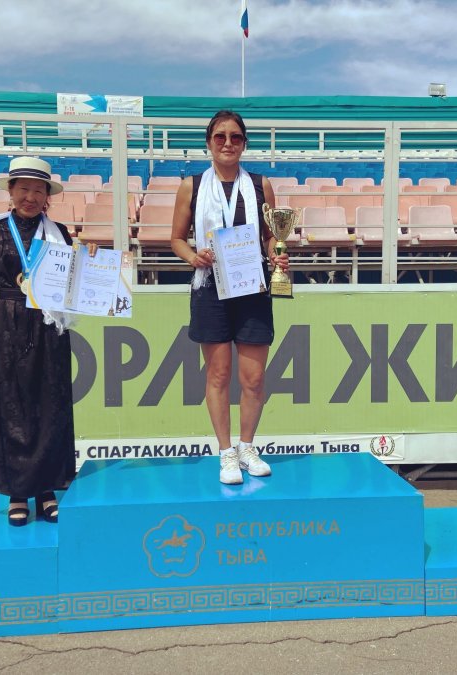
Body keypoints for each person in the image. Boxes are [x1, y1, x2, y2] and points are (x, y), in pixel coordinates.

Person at [0, 156, 97, 526]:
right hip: (6, 324)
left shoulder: (59, 232)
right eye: (24, 189)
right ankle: (17, 494)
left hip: (48, 326)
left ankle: (46, 490)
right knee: (10, 408)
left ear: (47, 196)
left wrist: (89, 260)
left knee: (50, 406)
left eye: (38, 190)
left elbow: (73, 283)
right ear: (11, 190)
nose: (31, 197)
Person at [170, 110, 289, 485]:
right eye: (220, 136)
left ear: (244, 143)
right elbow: (176, 239)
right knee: (219, 374)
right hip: (210, 287)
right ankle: (226, 453)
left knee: (253, 378)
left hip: (252, 286)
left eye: (235, 137)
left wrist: (276, 253)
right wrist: (193, 257)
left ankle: (247, 447)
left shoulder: (260, 185)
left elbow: (270, 237)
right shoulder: (191, 186)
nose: (227, 143)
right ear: (209, 142)